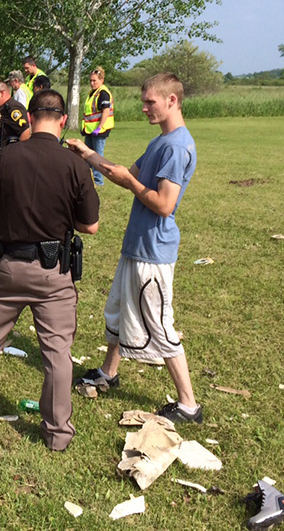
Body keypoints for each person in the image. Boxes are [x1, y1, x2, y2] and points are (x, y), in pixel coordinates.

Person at [0, 90, 100, 451]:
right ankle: (56, 434)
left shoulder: (5, 157)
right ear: (63, 120)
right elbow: (91, 226)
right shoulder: (75, 165)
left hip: (6, 266)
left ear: (31, 116)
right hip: (53, 272)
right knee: (56, 354)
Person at [68, 73, 201, 424]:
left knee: (160, 325)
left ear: (172, 101)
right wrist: (86, 155)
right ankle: (108, 373)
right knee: (118, 310)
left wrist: (130, 182)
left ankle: (189, 405)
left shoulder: (176, 146)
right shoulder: (161, 141)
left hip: (154, 251)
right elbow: (125, 173)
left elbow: (164, 204)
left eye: (150, 102)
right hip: (136, 246)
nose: (144, 108)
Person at [80, 66, 115, 186]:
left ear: (102, 80)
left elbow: (106, 111)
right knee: (87, 155)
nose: (92, 83)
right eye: (90, 80)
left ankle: (99, 181)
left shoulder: (103, 93)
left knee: (97, 156)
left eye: (94, 81)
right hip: (90, 130)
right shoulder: (92, 93)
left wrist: (99, 127)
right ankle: (87, 178)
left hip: (99, 130)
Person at [0, 79, 29, 159]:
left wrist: (14, 156)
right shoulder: (1, 109)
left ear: (2, 93)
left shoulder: (13, 109)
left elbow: (26, 133)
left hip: (6, 160)